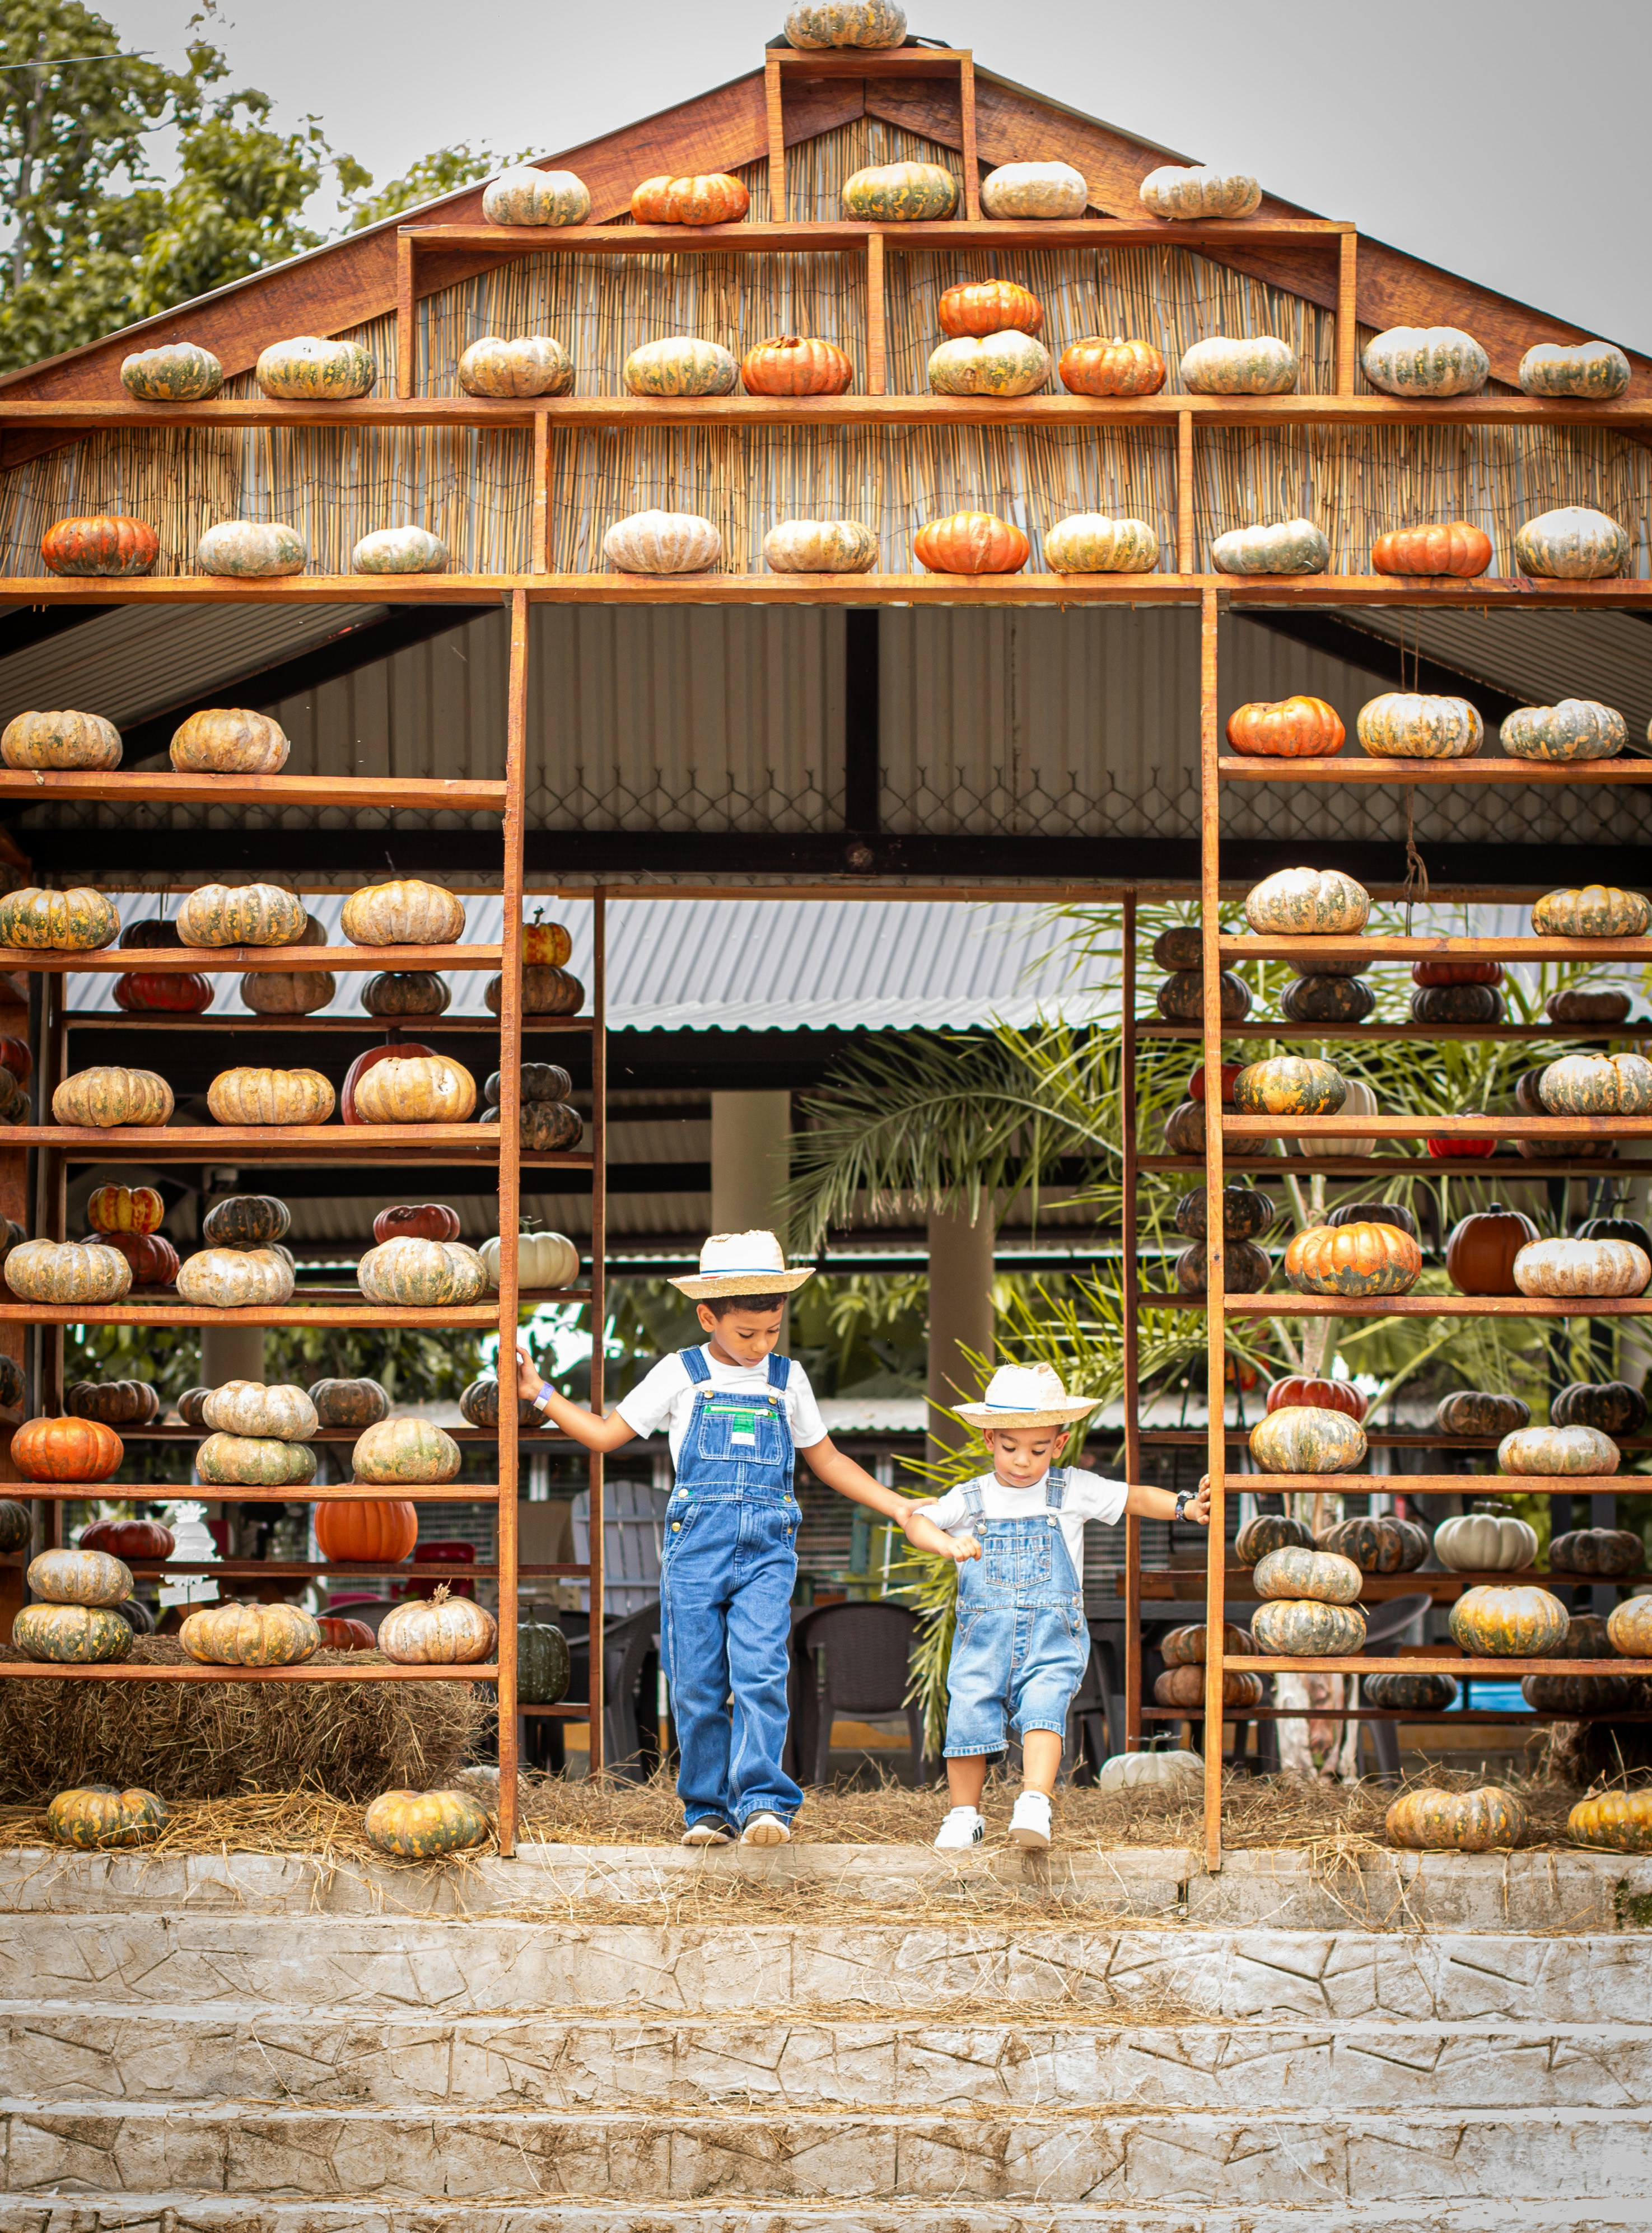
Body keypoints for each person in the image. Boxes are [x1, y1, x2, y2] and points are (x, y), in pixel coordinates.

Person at [514, 1229, 972, 1849]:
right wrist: (537, 1393)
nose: (761, 1346)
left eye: (772, 1331)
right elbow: (603, 1434)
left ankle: (764, 1803)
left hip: (767, 1553)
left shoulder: (788, 1380)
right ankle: (705, 1809)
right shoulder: (679, 1374)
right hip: (694, 1553)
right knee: (696, 1682)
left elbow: (828, 1459)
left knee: (760, 1671)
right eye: (745, 1334)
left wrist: (898, 1507)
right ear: (708, 1315)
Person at [919, 1361, 1211, 1853]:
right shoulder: (971, 1499)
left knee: (1044, 1710)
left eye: (1037, 1449)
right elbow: (918, 1520)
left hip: (1050, 1635)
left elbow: (1134, 1497)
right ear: (990, 1439)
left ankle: (1034, 1802)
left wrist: (1185, 1506)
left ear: (1057, 1444)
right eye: (1010, 1448)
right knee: (968, 1714)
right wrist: (945, 1545)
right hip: (983, 1639)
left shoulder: (1071, 1488)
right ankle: (963, 1815)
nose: (1021, 1461)